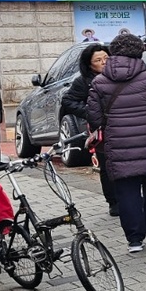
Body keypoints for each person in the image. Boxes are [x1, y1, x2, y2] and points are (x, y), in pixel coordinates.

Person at [87, 33, 146, 252]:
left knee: (127, 191)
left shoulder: (99, 82)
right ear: (140, 53)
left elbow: (94, 118)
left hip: (118, 145)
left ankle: (134, 240)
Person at [59, 42, 116, 216]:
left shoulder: (118, 76)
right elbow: (68, 101)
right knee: (107, 166)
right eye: (98, 60)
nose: (104, 62)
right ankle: (113, 202)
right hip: (102, 130)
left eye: (106, 58)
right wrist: (90, 113)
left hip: (123, 126)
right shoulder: (83, 81)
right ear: (89, 64)